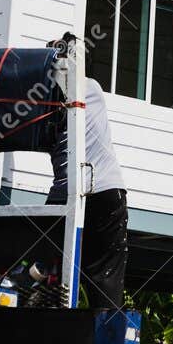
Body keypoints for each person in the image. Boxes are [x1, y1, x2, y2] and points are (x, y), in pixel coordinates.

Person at [44, 73, 128, 311]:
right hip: (104, 190)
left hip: (66, 193)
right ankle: (104, 333)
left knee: (50, 271)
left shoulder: (41, 105)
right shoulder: (92, 87)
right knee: (105, 276)